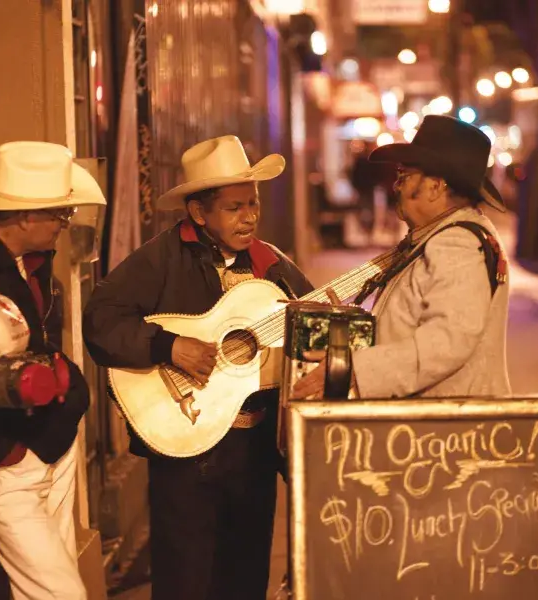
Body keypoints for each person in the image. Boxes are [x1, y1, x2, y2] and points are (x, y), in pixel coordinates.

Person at [83, 135, 312, 600]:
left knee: (246, 575)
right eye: (233, 208)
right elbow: (101, 320)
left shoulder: (272, 265)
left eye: (252, 204)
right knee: (186, 577)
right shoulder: (161, 258)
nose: (248, 216)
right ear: (198, 213)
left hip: (255, 448)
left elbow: (311, 324)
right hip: (187, 447)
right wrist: (167, 346)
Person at [0, 141, 106, 599]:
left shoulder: (35, 261)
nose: (66, 225)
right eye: (59, 215)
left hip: (52, 441)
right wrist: (10, 454)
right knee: (62, 593)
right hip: (8, 461)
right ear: (24, 215)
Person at [292, 115, 511, 400]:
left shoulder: (456, 245)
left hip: (445, 434)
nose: (396, 186)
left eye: (404, 177)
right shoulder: (438, 237)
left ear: (435, 187)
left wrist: (356, 369)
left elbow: (447, 342)